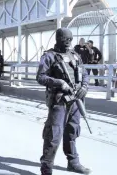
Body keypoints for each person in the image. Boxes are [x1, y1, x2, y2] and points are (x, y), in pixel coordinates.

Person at [36, 28, 90, 175]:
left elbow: (84, 73)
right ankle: (46, 168)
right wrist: (59, 82)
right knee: (53, 135)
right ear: (58, 39)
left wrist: (84, 87)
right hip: (59, 101)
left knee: (72, 131)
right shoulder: (49, 56)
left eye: (70, 40)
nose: (68, 43)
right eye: (65, 40)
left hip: (75, 100)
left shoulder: (74, 55)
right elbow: (40, 77)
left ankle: (73, 162)